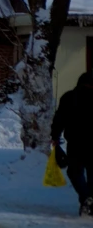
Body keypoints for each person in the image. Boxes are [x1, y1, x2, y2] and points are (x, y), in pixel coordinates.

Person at [52, 71, 93, 217]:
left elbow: (59, 119)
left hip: (76, 143)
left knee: (75, 172)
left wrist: (55, 137)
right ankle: (89, 203)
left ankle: (86, 198)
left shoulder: (69, 97)